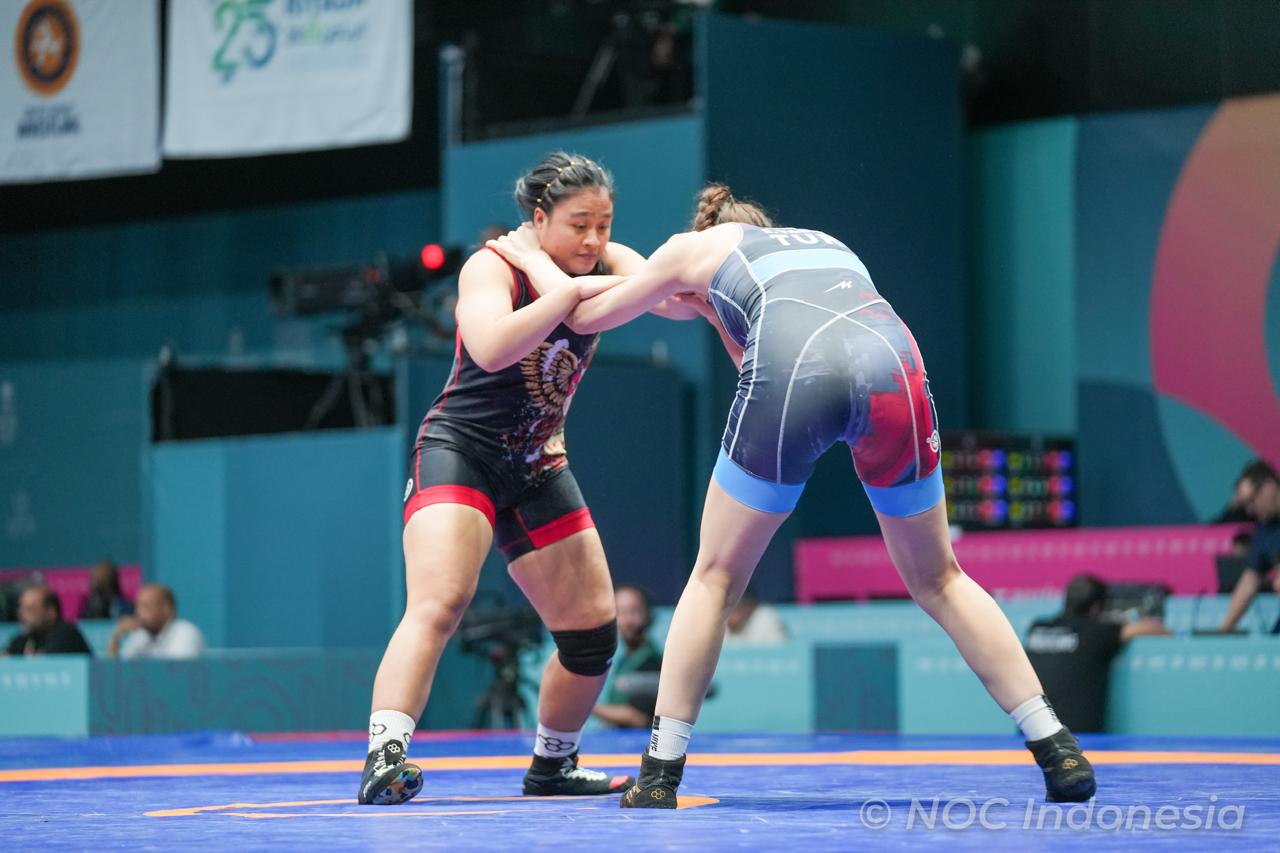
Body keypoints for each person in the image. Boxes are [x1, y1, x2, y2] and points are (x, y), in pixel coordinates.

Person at [488, 183, 1100, 808]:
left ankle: (660, 775)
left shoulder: (688, 248)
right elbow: (762, 343)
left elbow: (584, 316)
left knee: (715, 579)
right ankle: (1055, 745)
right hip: (892, 360)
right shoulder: (824, 243)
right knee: (941, 578)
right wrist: (711, 310)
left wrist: (535, 257)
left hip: (793, 365)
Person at [359, 152, 698, 807]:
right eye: (578, 225)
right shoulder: (492, 266)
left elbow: (676, 305)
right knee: (440, 602)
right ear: (539, 220)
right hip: (462, 451)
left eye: (603, 224)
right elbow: (491, 349)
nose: (594, 240)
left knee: (592, 635)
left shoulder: (603, 261)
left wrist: (572, 281)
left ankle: (553, 764)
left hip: (537, 464)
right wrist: (561, 290)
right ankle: (385, 756)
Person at [1025, 575, 1170, 733]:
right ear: (1096, 607)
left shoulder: (1037, 628)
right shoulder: (1097, 632)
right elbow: (1156, 628)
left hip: (1031, 733)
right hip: (1077, 736)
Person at [1219, 462, 1280, 632]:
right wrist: (1225, 628)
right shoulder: (1265, 528)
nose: (1249, 510)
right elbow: (1250, 579)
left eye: (1251, 501)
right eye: (1245, 505)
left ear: (1269, 487)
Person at [593, 584, 663, 728]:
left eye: (635, 612)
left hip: (639, 741)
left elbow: (638, 718)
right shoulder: (624, 659)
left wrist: (584, 706)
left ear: (648, 615)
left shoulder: (650, 660)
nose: (628, 621)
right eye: (621, 613)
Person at [107, 584, 205, 660]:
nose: (138, 612)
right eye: (137, 607)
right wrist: (116, 637)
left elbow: (178, 673)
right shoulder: (140, 636)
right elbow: (119, 671)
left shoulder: (186, 633)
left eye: (145, 606)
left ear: (166, 609)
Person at [3, 586, 91, 656]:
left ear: (50, 612)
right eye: (21, 609)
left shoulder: (66, 634)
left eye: (30, 609)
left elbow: (48, 664)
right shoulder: (23, 639)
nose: (22, 614)